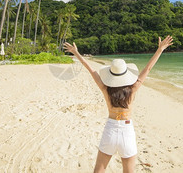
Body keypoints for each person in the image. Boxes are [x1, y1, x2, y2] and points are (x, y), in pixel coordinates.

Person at [64, 35, 173, 173]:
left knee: (99, 170)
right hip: (127, 131)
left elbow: (91, 69)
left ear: (111, 74)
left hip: (110, 129)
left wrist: (76, 53)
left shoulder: (106, 89)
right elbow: (148, 69)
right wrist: (160, 50)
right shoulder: (133, 89)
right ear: (126, 74)